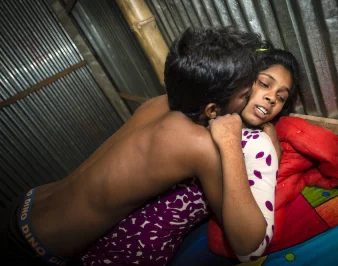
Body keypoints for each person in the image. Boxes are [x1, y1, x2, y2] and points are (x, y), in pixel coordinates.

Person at [0, 27, 268, 266]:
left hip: (28, 203)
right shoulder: (197, 145)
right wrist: (231, 143)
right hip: (35, 246)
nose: (248, 100)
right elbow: (247, 242)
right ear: (212, 109)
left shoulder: (157, 103)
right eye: (245, 95)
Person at [80, 48, 299, 265]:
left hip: (134, 252)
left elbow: (252, 248)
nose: (271, 98)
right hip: (91, 232)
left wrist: (245, 146)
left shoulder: (256, 144)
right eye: (264, 83)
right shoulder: (193, 107)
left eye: (281, 97)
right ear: (243, 79)